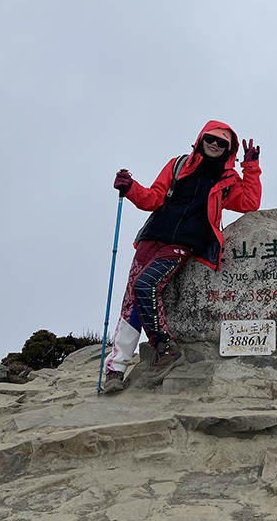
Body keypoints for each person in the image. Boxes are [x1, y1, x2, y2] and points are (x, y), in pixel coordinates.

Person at [103, 120, 261, 393]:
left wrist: (250, 168)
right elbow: (153, 198)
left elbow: (249, 202)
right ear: (200, 139)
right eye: (210, 139)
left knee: (145, 285)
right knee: (132, 302)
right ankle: (116, 368)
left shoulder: (227, 180)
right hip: (151, 238)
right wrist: (130, 188)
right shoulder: (179, 165)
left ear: (229, 149)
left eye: (222, 143)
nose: (215, 145)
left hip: (184, 244)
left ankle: (165, 347)